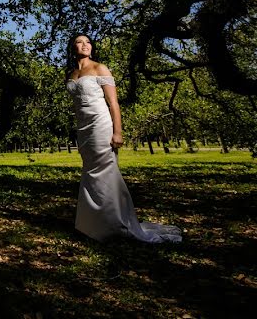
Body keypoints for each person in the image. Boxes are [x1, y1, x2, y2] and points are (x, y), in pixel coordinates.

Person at [66, 33, 182, 243]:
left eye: (88, 42)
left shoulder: (100, 68)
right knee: (90, 173)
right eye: (79, 42)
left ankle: (117, 223)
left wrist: (117, 131)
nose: (85, 45)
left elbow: (114, 103)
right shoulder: (72, 74)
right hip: (83, 130)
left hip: (102, 125)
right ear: (72, 47)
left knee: (107, 172)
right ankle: (93, 224)